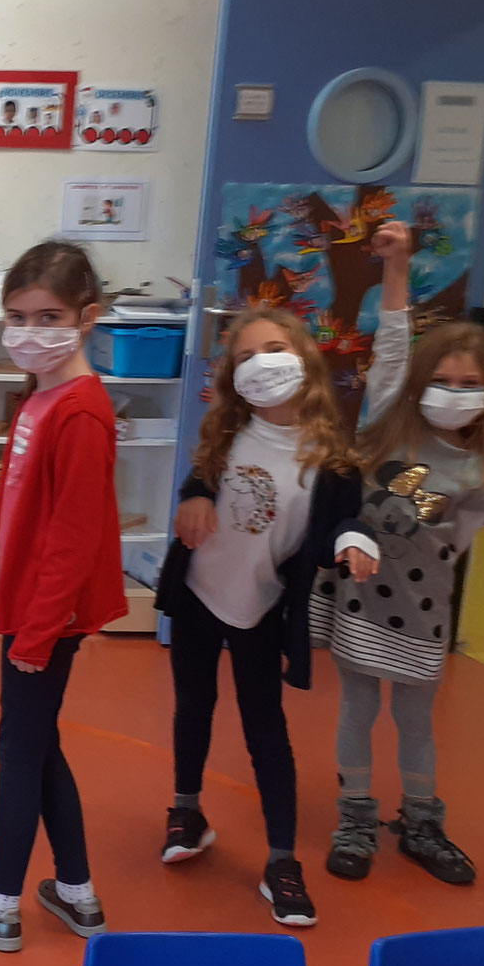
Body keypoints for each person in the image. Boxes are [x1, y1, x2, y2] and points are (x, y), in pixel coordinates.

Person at [0, 242, 126, 953]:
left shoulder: (80, 412)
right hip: (26, 604)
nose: (29, 331)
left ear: (87, 318)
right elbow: (13, 510)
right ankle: (76, 892)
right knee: (39, 745)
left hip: (50, 616)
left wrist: (37, 633)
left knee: (19, 750)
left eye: (49, 317)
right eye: (17, 316)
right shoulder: (40, 398)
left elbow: (71, 540)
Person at [154, 308, 372, 928]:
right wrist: (195, 496)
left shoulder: (332, 460)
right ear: (232, 376)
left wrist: (354, 541)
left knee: (265, 729)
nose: (261, 365)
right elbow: (199, 483)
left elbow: (339, 523)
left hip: (261, 605)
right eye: (245, 357)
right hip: (198, 592)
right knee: (193, 706)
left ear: (304, 358)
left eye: (273, 349)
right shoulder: (228, 433)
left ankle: (282, 861)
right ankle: (187, 811)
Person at [325, 222, 484, 885]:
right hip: (363, 603)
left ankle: (423, 820)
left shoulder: (480, 471)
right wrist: (396, 269)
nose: (453, 393)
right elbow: (394, 343)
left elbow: (458, 545)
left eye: (468, 383)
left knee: (416, 717)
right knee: (358, 709)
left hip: (424, 612)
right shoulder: (387, 422)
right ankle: (355, 816)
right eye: (443, 380)